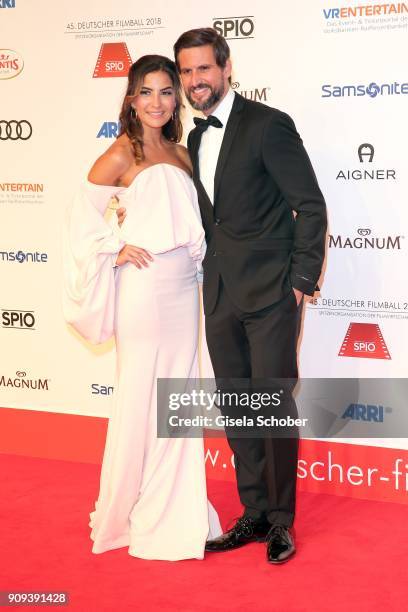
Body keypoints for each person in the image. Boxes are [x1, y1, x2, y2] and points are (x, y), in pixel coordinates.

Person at [173, 28, 328, 564]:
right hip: (218, 295)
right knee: (238, 410)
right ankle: (254, 512)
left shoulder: (268, 125)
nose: (195, 81)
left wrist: (300, 283)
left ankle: (282, 521)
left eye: (203, 69)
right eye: (186, 72)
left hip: (270, 296)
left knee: (273, 407)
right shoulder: (193, 139)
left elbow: (309, 204)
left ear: (225, 67)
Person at [63, 54, 221, 560]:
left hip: (181, 287)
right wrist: (114, 246)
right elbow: (79, 217)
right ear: (131, 99)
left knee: (178, 399)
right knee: (139, 397)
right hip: (142, 287)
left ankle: (175, 508)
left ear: (177, 98)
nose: (157, 102)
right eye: (146, 92)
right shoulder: (120, 153)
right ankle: (125, 512)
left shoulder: (181, 153)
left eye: (166, 92)